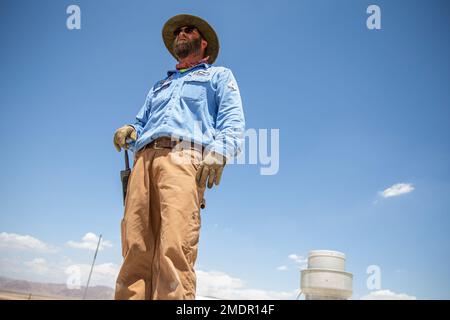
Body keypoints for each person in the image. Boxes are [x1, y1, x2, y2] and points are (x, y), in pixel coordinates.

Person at [113, 14, 245, 300]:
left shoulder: (218, 76)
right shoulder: (159, 86)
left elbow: (232, 119)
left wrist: (220, 152)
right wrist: (131, 129)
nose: (180, 34)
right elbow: (142, 122)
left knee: (174, 246)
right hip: (143, 161)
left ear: (204, 42)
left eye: (188, 30)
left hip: (184, 158)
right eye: (178, 32)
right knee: (135, 247)